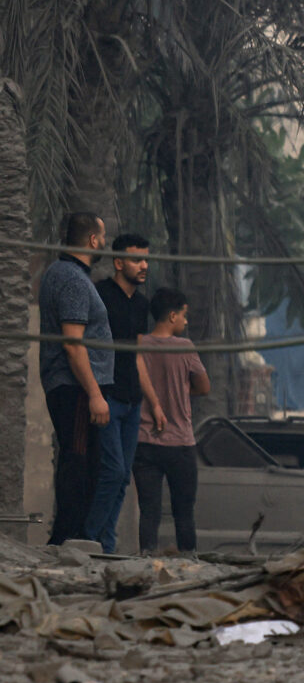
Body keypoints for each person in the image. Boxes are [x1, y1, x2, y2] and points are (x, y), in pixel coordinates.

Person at [85, 233, 162, 553]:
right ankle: (88, 539)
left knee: (123, 478)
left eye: (146, 259)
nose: (144, 265)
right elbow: (85, 346)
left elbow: (138, 357)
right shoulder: (100, 294)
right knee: (113, 471)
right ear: (118, 263)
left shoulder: (142, 304)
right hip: (107, 396)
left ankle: (106, 546)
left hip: (132, 401)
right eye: (136, 259)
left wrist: (154, 403)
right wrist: (94, 393)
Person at [39, 212, 112, 547]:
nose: (106, 242)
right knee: (80, 464)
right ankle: (67, 540)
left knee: (79, 459)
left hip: (72, 386)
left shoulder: (62, 273)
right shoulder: (72, 279)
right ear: (92, 240)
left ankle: (68, 538)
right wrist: (95, 394)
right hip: (77, 387)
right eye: (103, 236)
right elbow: (73, 344)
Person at [133, 287, 209, 552]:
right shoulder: (185, 347)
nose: (186, 322)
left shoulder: (139, 344)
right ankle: (189, 562)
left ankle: (146, 560)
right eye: (185, 316)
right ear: (173, 316)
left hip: (145, 442)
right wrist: (182, 389)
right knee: (184, 512)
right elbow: (204, 386)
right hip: (180, 443)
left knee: (149, 511)